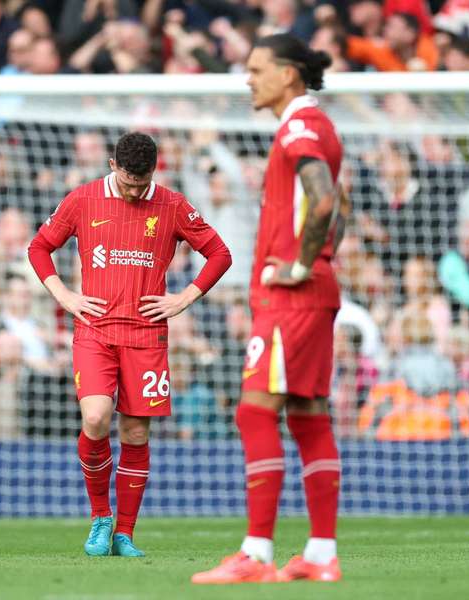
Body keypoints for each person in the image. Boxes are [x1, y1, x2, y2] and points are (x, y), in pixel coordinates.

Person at [28, 132, 232, 557]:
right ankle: (100, 516)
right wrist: (64, 295)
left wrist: (185, 297)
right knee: (97, 418)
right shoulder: (83, 199)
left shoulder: (173, 204)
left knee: (136, 433)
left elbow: (219, 253)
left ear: (154, 170)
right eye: (127, 182)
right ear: (112, 165)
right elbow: (40, 246)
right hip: (95, 331)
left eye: (142, 183)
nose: (136, 190)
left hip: (146, 336)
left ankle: (125, 533)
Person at [192, 34, 349, 584]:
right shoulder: (316, 126)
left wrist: (303, 265)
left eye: (257, 69)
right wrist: (323, 260)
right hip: (312, 295)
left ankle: (256, 554)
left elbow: (326, 200)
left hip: (291, 297)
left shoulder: (300, 127)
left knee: (255, 411)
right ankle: (321, 554)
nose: (248, 78)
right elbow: (341, 208)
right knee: (307, 418)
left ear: (288, 74)